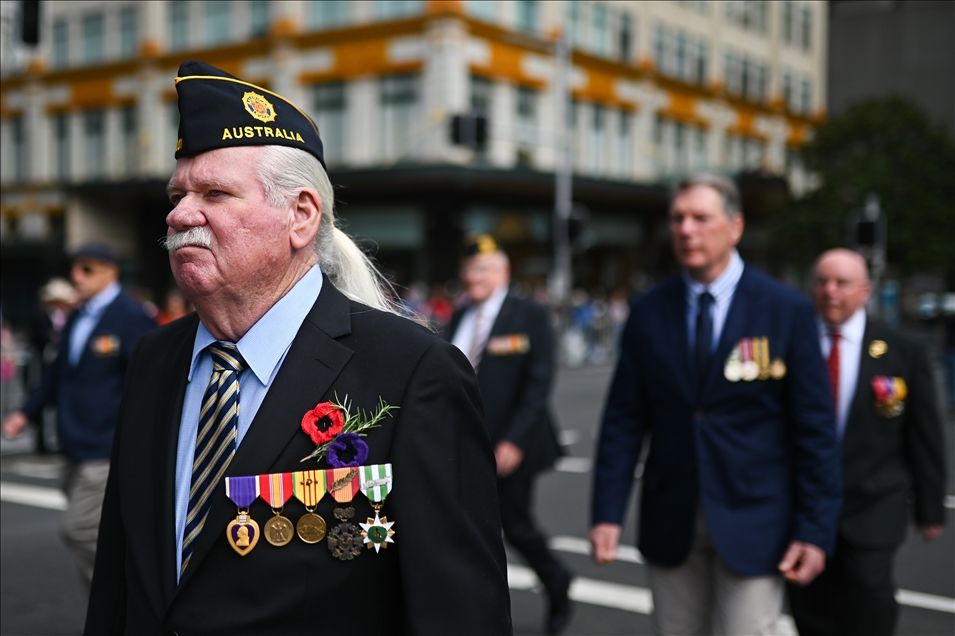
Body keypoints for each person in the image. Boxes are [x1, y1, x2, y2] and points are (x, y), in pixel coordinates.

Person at [84, 61, 511, 635]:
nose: (180, 214)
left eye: (215, 192)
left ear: (301, 216)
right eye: (177, 193)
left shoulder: (412, 372)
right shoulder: (155, 358)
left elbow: (459, 612)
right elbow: (118, 573)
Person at [589, 174, 842, 635]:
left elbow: (815, 429)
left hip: (756, 518)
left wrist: (815, 529)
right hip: (672, 517)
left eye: (701, 218)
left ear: (736, 226)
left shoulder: (784, 310)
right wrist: (607, 511)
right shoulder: (649, 311)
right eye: (678, 219)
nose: (686, 230)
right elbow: (624, 419)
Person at [787, 248, 947, 636]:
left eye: (842, 283)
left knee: (870, 593)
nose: (830, 291)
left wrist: (930, 507)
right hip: (804, 503)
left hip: (874, 502)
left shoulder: (900, 349)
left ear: (864, 290)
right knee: (810, 603)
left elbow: (924, 433)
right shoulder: (792, 343)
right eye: (822, 282)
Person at [2, 244, 156, 597]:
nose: (76, 276)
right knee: (97, 532)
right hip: (72, 442)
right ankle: (110, 612)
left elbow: (149, 379)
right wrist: (24, 413)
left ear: (110, 272)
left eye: (86, 269)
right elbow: (56, 376)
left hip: (107, 444)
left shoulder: (130, 316)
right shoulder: (76, 316)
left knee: (79, 529)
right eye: (74, 268)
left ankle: (128, 596)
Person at [446, 236, 572, 635]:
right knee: (468, 528)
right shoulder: (460, 316)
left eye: (482, 269)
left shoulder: (528, 314)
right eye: (468, 269)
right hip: (468, 444)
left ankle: (556, 581)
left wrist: (514, 441)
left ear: (502, 272)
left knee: (515, 525)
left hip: (512, 445)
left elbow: (537, 385)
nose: (472, 276)